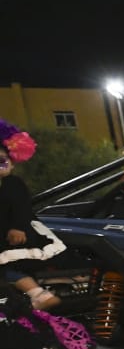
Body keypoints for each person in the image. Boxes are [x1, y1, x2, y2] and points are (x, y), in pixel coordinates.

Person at [0, 120, 65, 310]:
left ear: (12, 165)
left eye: (2, 161)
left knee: (9, 268)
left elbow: (22, 207)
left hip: (13, 237)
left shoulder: (13, 184)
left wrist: (18, 227)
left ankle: (39, 294)